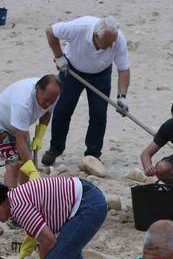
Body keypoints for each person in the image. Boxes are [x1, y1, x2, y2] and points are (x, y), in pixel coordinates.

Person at [42, 16, 130, 165]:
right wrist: (59, 57)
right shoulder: (80, 27)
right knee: (62, 110)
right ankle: (55, 149)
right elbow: (50, 31)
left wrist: (122, 97)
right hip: (71, 70)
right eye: (107, 43)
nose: (111, 46)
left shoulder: (118, 40)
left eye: (112, 43)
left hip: (101, 74)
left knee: (99, 114)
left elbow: (124, 70)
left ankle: (93, 155)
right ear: (96, 36)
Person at [0, 75, 62, 188]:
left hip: (19, 125)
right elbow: (20, 141)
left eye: (52, 101)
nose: (48, 104)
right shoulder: (23, 103)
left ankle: (26, 195)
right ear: (37, 89)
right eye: (45, 100)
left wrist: (39, 135)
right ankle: (10, 200)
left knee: (26, 163)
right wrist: (32, 170)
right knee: (14, 165)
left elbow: (47, 112)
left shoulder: (53, 95)